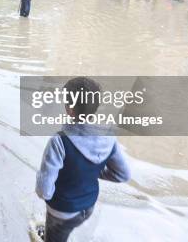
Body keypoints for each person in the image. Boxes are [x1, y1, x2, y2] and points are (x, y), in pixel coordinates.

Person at [36, 77, 131, 242]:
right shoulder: (108, 137)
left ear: (70, 110)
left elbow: (44, 191)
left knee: (56, 234)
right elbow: (123, 175)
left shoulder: (59, 141)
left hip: (62, 212)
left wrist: (42, 184)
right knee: (66, 227)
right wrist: (93, 172)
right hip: (88, 206)